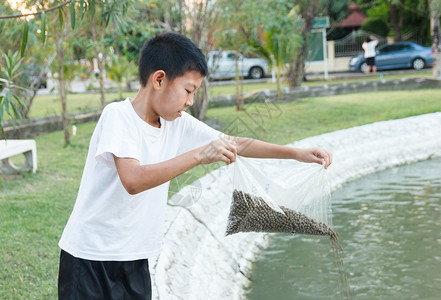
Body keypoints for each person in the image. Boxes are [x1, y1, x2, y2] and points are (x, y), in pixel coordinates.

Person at [57, 32, 333, 299]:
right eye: (188, 90)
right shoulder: (119, 116)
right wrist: (200, 156)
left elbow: (236, 143)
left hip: (134, 257)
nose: (190, 101)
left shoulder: (176, 122)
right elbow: (133, 180)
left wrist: (295, 153)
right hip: (90, 257)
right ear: (159, 79)